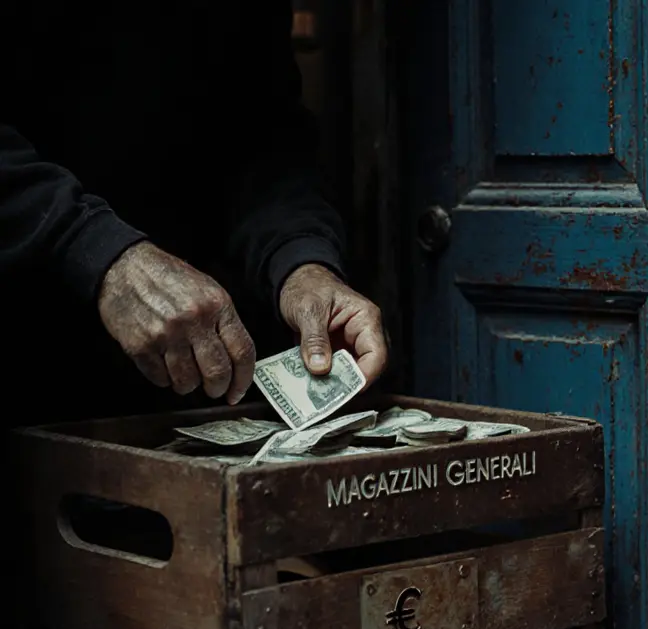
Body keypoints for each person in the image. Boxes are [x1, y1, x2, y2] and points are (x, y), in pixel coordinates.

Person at [0, 0, 388, 431]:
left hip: (202, 375)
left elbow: (263, 132)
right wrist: (92, 249)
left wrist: (301, 260)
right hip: (26, 356)